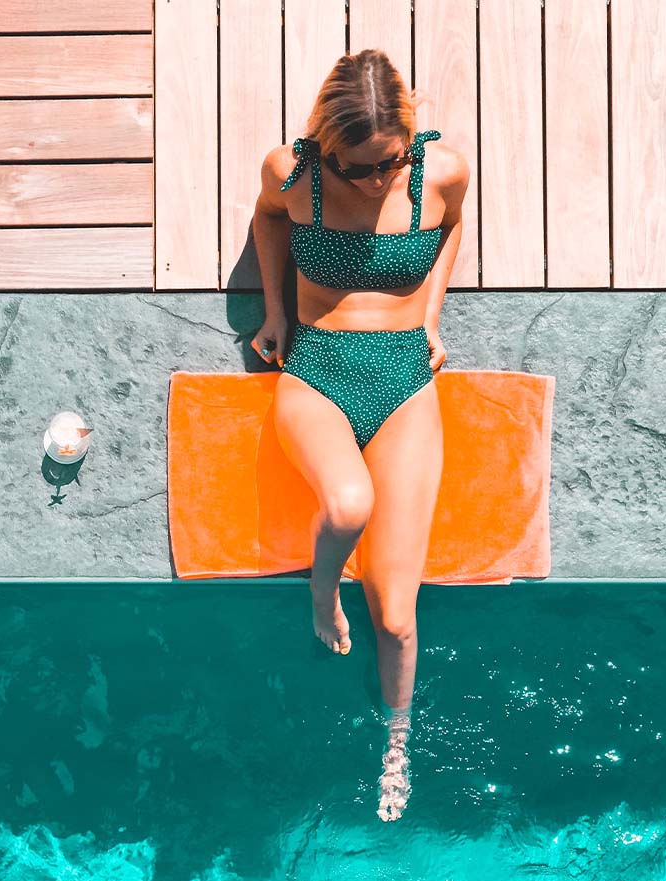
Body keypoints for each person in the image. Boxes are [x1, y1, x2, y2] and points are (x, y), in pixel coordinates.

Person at [249, 49, 470, 821]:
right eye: (358, 169)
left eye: (389, 164)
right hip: (319, 368)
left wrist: (434, 316)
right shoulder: (293, 173)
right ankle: (319, 592)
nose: (377, 181)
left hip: (407, 377)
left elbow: (450, 233)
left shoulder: (441, 172)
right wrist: (275, 311)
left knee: (399, 616)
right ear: (325, 146)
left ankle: (396, 742)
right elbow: (267, 221)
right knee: (347, 507)